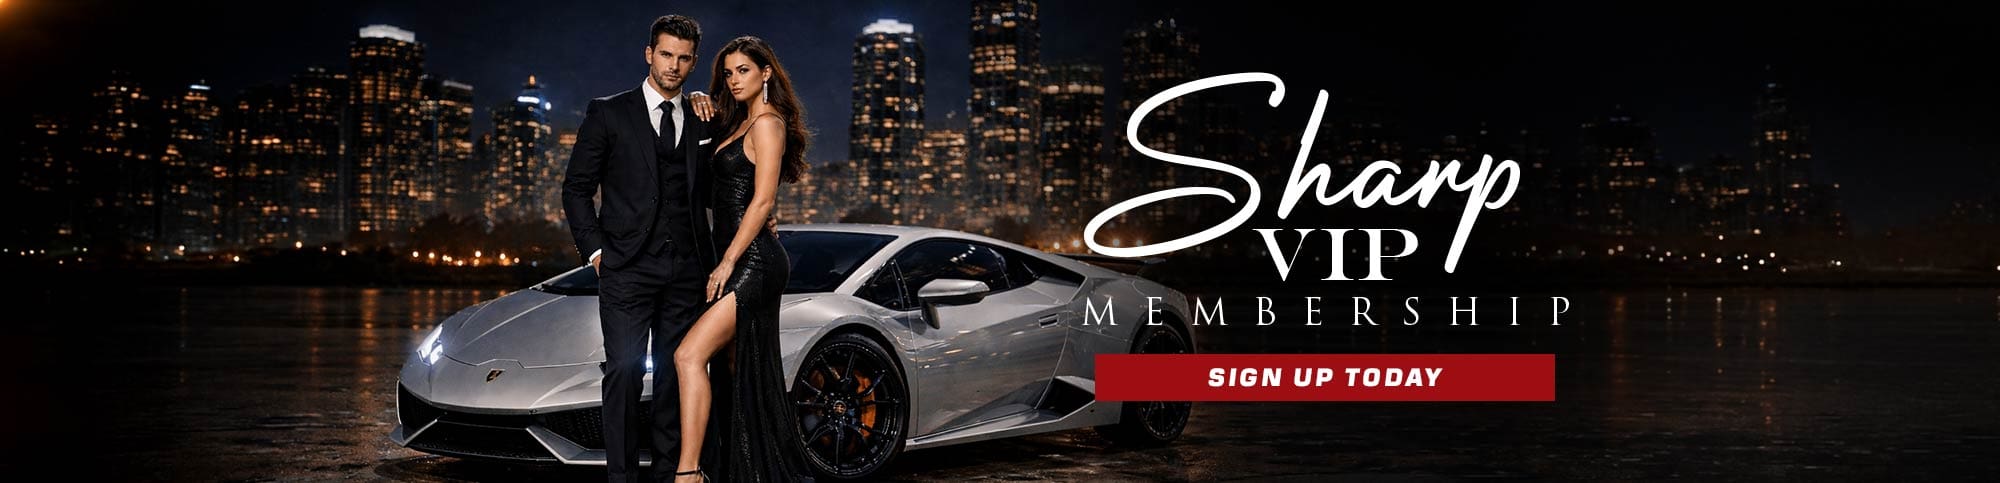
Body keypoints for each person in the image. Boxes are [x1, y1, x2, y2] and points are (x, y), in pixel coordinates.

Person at [559, 14, 760, 483]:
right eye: (665, 54)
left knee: (677, 376)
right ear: (649, 54)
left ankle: (673, 473)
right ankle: (622, 477)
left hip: (688, 267)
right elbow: (576, 189)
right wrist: (594, 252)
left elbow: (718, 185)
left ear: (693, 64)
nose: (673, 65)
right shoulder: (608, 112)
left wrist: (758, 206)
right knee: (624, 376)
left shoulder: (702, 114)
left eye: (684, 58)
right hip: (626, 269)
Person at [667, 35, 816, 483]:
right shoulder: (738, 123)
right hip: (738, 253)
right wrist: (696, 97)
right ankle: (744, 470)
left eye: (743, 70)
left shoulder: (768, 123)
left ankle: (688, 473)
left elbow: (762, 199)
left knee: (688, 356)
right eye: (728, 72)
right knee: (733, 370)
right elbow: (733, 194)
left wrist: (727, 262)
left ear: (766, 72)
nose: (734, 80)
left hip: (753, 262)